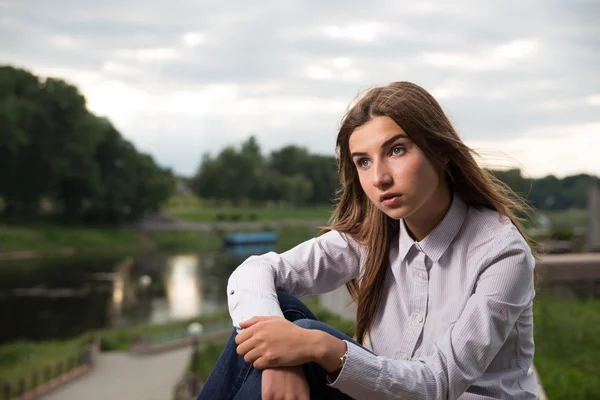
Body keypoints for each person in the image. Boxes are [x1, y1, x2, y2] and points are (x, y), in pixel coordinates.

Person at [196, 81, 540, 399]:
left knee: (305, 331)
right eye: (363, 161)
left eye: (397, 150)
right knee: (277, 318)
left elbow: (439, 384)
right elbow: (255, 271)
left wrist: (323, 347)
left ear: (441, 150)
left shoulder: (501, 253)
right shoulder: (371, 235)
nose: (380, 178)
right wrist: (277, 360)